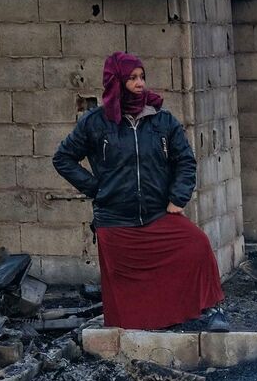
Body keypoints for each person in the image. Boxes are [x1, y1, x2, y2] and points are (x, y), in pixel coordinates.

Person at [52, 52, 229, 331]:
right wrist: (97, 189)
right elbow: (63, 158)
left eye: (142, 77)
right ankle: (140, 333)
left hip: (157, 213)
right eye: (132, 78)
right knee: (127, 307)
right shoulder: (96, 122)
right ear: (117, 82)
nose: (140, 83)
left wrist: (177, 198)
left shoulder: (161, 120)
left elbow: (185, 160)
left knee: (197, 244)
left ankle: (211, 310)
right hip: (115, 219)